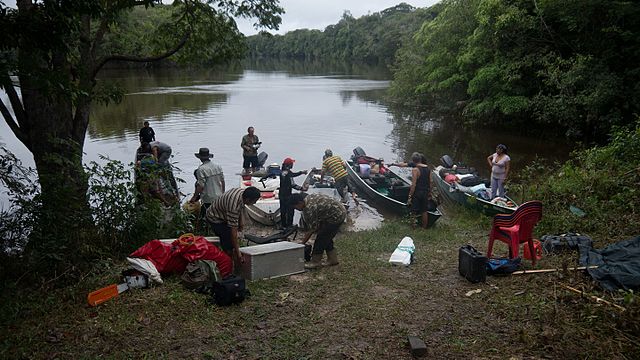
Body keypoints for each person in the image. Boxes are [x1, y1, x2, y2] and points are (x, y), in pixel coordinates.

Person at [206, 186, 261, 270]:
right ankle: (228, 266)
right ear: (247, 199)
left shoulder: (242, 192)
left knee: (231, 241)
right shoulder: (233, 207)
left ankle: (231, 261)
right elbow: (233, 234)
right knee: (228, 243)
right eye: (254, 201)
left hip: (223, 213)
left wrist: (241, 222)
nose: (255, 203)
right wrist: (238, 253)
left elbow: (241, 207)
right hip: (215, 218)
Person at [289, 192, 346, 269]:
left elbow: (311, 230)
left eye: (296, 207)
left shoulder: (309, 209)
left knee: (321, 238)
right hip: (336, 210)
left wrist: (302, 243)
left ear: (300, 202)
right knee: (327, 237)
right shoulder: (308, 198)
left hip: (336, 216)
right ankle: (333, 259)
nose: (297, 210)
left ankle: (316, 262)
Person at [189, 148, 225, 223]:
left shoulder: (201, 169)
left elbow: (200, 186)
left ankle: (205, 230)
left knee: (205, 217)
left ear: (200, 158)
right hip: (219, 196)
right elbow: (222, 181)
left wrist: (194, 197)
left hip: (208, 198)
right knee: (217, 215)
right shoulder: (218, 166)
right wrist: (222, 193)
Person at [278, 157, 307, 228]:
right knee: (290, 210)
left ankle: (283, 225)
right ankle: (289, 225)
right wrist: (302, 188)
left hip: (281, 194)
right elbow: (293, 184)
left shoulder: (283, 172)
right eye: (292, 164)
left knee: (283, 210)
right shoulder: (288, 173)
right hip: (287, 195)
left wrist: (301, 172)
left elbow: (293, 174)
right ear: (290, 165)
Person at [406, 152, 432, 229]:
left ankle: (413, 227)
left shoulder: (415, 170)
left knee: (413, 211)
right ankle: (424, 228)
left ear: (413, 161)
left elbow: (413, 184)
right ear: (420, 159)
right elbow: (431, 182)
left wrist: (410, 195)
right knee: (424, 211)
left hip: (417, 192)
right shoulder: (428, 169)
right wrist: (429, 192)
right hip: (425, 192)